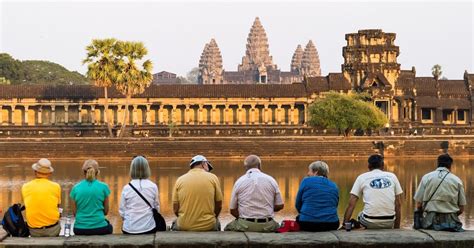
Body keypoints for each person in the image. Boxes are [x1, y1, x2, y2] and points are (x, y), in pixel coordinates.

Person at [224, 155, 284, 232]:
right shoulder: (271, 180)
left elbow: (232, 210)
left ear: (245, 167)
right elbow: (280, 205)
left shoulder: (239, 181)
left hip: (245, 224)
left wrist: (244, 218)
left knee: (227, 228)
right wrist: (267, 208)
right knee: (279, 227)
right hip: (267, 224)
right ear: (260, 165)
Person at [343, 154, 403, 229]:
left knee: (359, 214)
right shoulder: (392, 176)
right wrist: (397, 227)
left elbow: (352, 203)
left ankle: (358, 226)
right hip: (390, 221)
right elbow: (398, 204)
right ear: (383, 165)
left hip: (369, 221)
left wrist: (344, 224)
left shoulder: (362, 177)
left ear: (368, 166)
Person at [414, 154, 466, 232]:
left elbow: (418, 205)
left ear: (437, 163)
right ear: (450, 165)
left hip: (430, 222)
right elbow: (461, 209)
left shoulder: (426, 177)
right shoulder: (457, 180)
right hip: (451, 223)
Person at [171, 155, 223, 231]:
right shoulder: (213, 178)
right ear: (203, 164)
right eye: (208, 166)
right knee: (217, 223)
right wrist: (214, 217)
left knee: (174, 222)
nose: (208, 169)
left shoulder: (180, 180)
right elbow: (219, 204)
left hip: (184, 225)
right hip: (208, 225)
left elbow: (175, 209)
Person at [70, 159, 113, 235]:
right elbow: (106, 212)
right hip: (100, 228)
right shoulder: (104, 187)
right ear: (97, 172)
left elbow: (75, 213)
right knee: (110, 226)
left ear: (83, 172)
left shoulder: (75, 188)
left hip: (80, 229)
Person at [119, 156, 161, 234]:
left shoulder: (126, 188)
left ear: (132, 169)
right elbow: (157, 207)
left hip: (129, 228)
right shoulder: (153, 186)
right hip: (149, 227)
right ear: (147, 169)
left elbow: (122, 211)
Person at [295, 161, 339, 231]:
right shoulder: (334, 185)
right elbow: (335, 204)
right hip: (331, 224)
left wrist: (306, 214)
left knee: (298, 218)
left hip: (307, 223)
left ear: (316, 172)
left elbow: (298, 204)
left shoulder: (306, 181)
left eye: (309, 171)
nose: (308, 174)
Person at [22, 158, 61, 237]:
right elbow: (57, 206)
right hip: (53, 230)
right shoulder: (56, 186)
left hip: (34, 230)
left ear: (35, 172)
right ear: (49, 173)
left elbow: (27, 206)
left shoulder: (25, 187)